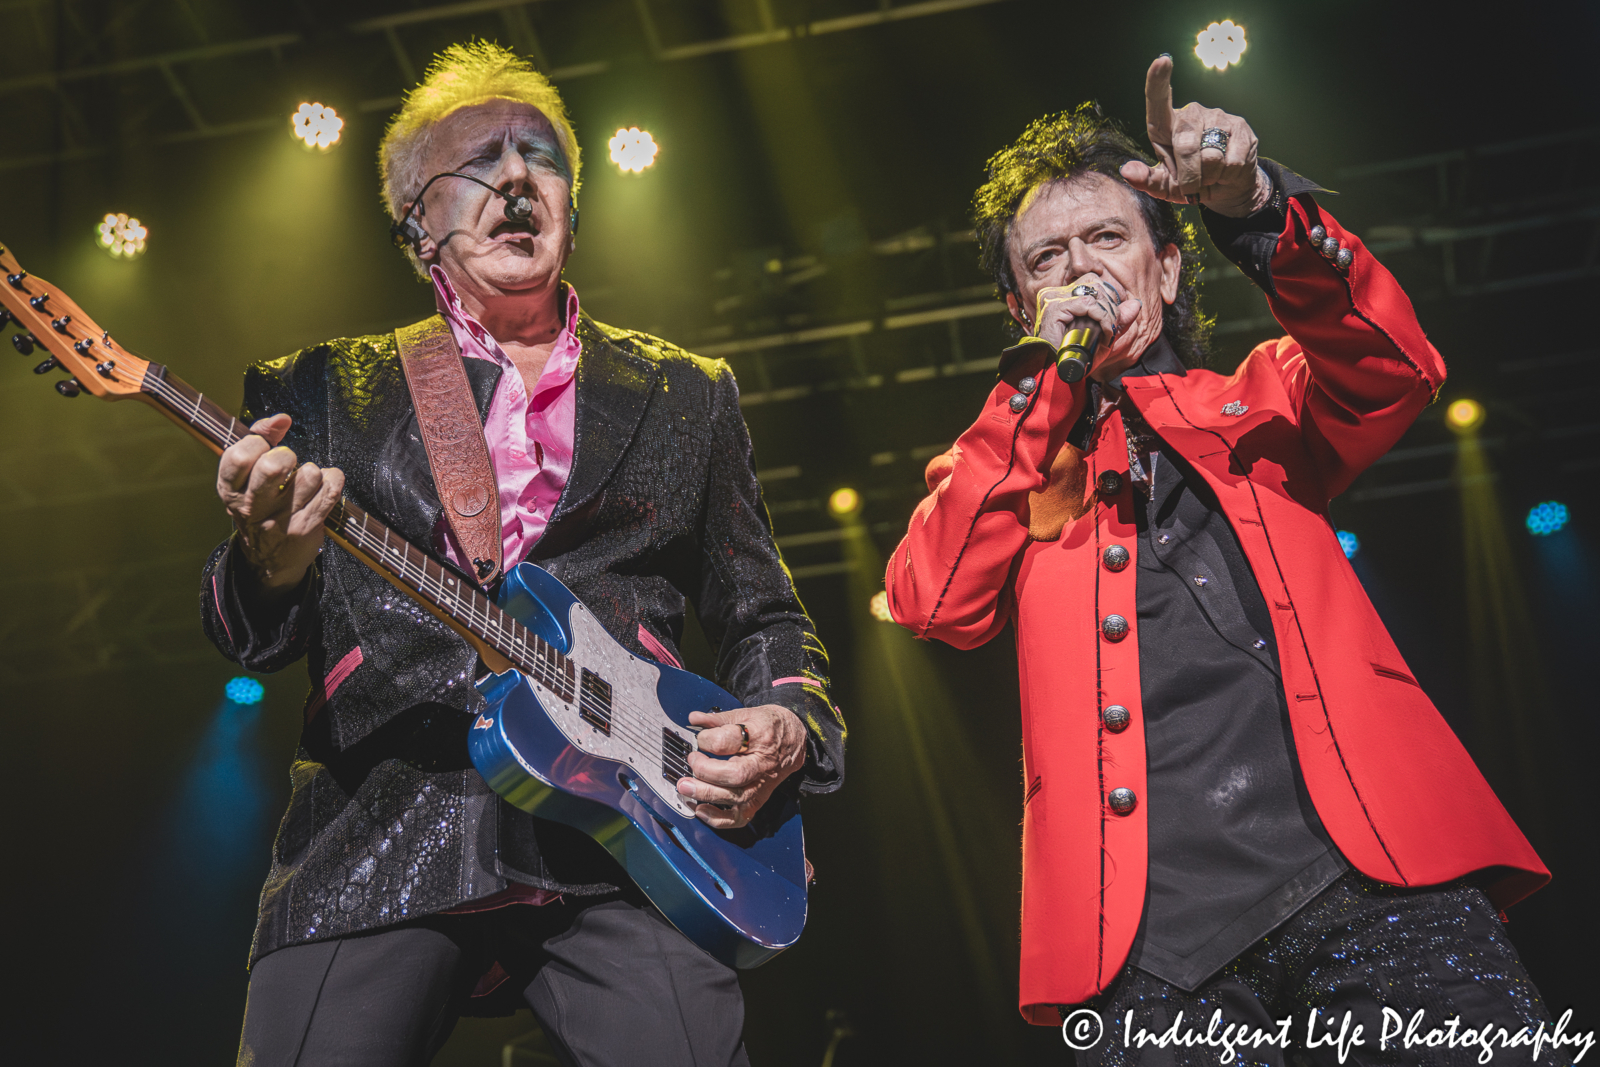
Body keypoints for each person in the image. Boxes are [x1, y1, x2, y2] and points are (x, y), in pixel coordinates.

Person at [885, 56, 1569, 1064]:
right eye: (1046, 259)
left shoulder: (1262, 398)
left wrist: (1255, 207)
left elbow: (1394, 368)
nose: (1080, 268)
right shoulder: (1006, 466)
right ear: (1017, 302)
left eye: (1107, 237)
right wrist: (1036, 385)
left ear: (1164, 265)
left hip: (1374, 882)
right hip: (1150, 951)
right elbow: (934, 598)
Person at [201, 41, 844, 1067]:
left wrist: (792, 718)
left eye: (540, 156)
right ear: (419, 225)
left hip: (630, 836)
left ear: (571, 202)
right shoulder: (317, 388)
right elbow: (244, 629)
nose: (514, 178)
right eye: (478, 163)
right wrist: (268, 555)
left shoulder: (688, 392)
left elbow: (765, 610)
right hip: (385, 823)